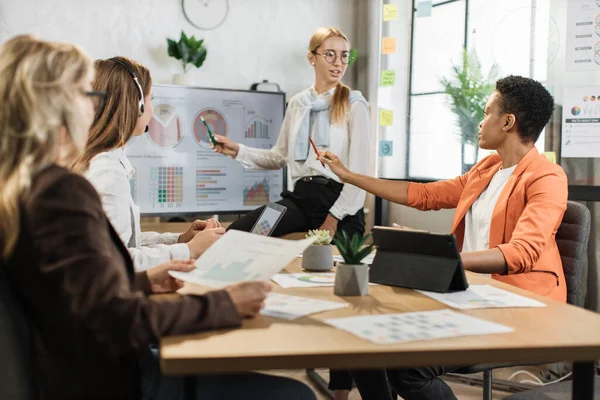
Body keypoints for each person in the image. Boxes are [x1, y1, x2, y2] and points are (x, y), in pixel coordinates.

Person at [0, 35, 316, 400]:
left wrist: (144, 282)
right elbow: (115, 320)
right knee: (297, 395)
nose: (92, 109)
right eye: (87, 96)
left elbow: (75, 293)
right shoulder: (59, 193)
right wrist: (225, 304)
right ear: (57, 106)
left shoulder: (23, 187)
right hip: (115, 383)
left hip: (72, 374)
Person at [319, 75, 568, 400]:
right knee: (361, 337)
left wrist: (444, 257)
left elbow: (521, 253)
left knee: (409, 372)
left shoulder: (547, 176)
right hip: (470, 295)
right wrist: (349, 176)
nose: (479, 122)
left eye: (486, 112)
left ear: (508, 122)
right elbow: (424, 195)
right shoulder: (488, 169)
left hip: (519, 307)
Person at [212, 27, 370, 241]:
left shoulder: (355, 104)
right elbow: (278, 157)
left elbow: (360, 175)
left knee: (334, 267)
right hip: (300, 199)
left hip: (341, 204)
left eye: (344, 55)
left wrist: (333, 218)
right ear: (312, 58)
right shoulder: (298, 103)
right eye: (330, 54)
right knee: (239, 233)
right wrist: (237, 150)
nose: (338, 62)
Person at [72, 56, 223, 271]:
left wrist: (180, 239)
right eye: (152, 98)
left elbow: (123, 240)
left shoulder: (96, 158)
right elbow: (117, 260)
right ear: (138, 106)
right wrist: (190, 250)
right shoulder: (108, 172)